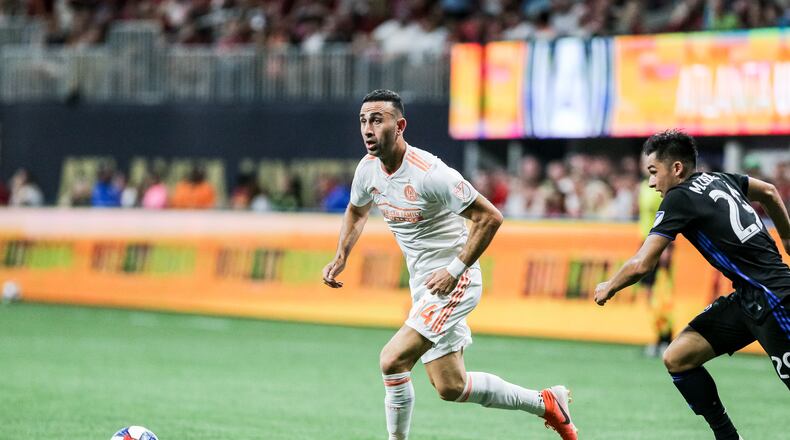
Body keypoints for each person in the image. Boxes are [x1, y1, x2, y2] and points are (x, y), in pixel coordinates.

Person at [322, 89, 577, 440]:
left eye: (377, 120)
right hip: (425, 287)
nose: (368, 128)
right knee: (450, 386)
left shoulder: (431, 173)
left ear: (400, 126)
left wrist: (455, 269)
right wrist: (341, 255)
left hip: (455, 281)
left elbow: (490, 217)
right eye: (363, 121)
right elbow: (356, 209)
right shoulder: (368, 171)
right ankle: (546, 402)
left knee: (392, 360)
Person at [594, 129, 790, 440]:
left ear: (677, 168)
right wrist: (788, 237)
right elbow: (768, 191)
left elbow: (642, 264)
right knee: (678, 357)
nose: (651, 183)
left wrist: (609, 286)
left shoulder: (679, 197)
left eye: (654, 172)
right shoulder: (720, 179)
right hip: (749, 299)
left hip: (776, 299)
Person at [637, 167, 675, 357]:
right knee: (650, 294)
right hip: (645, 243)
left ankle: (666, 338)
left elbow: (667, 217)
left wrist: (666, 246)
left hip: (659, 244)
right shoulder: (644, 186)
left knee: (662, 294)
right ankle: (658, 336)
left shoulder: (661, 189)